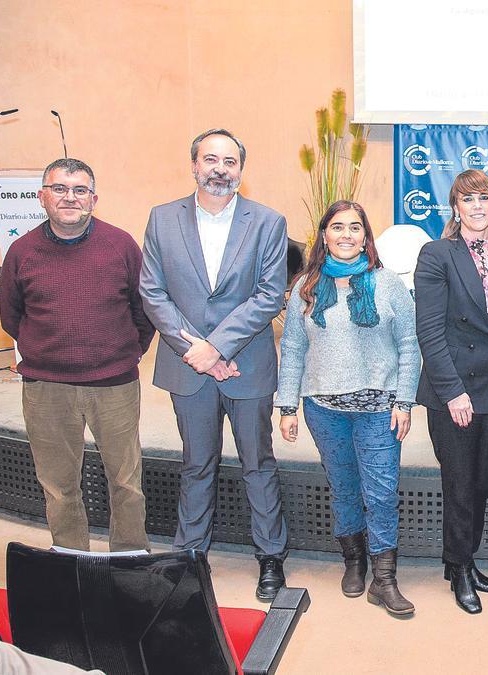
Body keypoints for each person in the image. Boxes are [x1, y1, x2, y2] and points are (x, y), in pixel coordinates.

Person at [139, 128, 290, 600]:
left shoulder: (268, 222)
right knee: (196, 463)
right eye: (211, 159)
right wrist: (198, 351)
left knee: (257, 463)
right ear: (194, 165)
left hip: (247, 364)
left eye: (229, 161)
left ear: (241, 170)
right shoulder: (162, 219)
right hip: (189, 367)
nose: (220, 168)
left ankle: (270, 557)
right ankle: (190, 555)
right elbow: (153, 291)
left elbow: (270, 295)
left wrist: (217, 348)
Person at [0, 158, 153, 553]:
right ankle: (71, 561)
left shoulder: (121, 246)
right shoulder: (21, 251)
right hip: (46, 389)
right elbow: (11, 317)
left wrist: (126, 354)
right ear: (42, 197)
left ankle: (129, 558)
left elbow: (144, 311)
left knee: (126, 483)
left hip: (114, 385)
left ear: (93, 199)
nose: (70, 197)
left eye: (79, 190)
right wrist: (51, 354)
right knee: (59, 485)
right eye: (60, 188)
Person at [276, 200, 418, 615]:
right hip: (325, 409)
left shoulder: (388, 283)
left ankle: (385, 579)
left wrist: (404, 400)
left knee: (382, 493)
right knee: (344, 489)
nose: (346, 235)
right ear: (324, 235)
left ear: (365, 236)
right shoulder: (306, 285)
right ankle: (354, 562)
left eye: (355, 228)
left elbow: (410, 347)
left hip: (380, 409)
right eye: (337, 227)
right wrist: (287, 406)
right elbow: (294, 350)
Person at [414, 169, 488, 614]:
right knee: (459, 484)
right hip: (454, 390)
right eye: (468, 199)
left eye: (485, 199)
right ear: (455, 207)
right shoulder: (436, 254)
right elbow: (430, 331)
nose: (477, 207)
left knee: (484, 480)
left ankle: (462, 557)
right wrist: (452, 392)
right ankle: (459, 568)